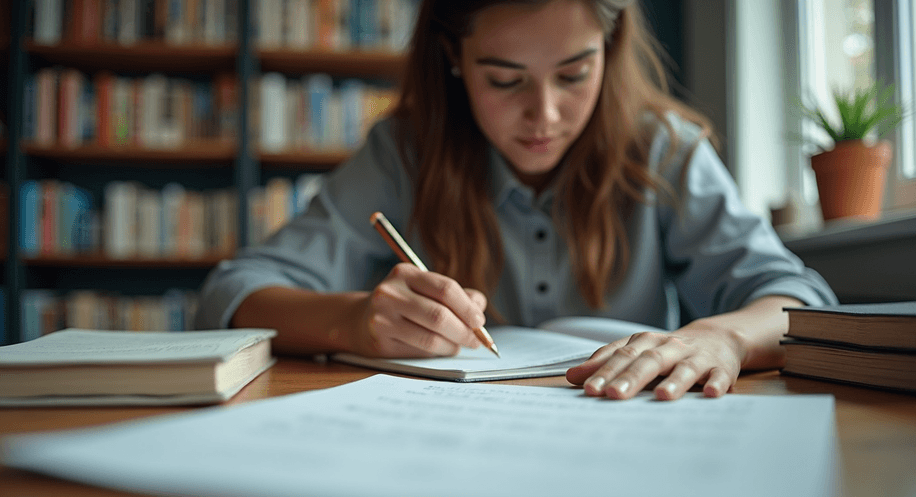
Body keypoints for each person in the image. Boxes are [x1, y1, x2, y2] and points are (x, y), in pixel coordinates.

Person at [195, 0, 837, 400]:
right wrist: (356, 320)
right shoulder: (406, 153)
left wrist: (723, 337)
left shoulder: (662, 149)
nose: (545, 115)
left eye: (574, 74)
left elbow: (797, 299)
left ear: (609, 52)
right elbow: (232, 292)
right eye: (505, 80)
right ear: (454, 57)